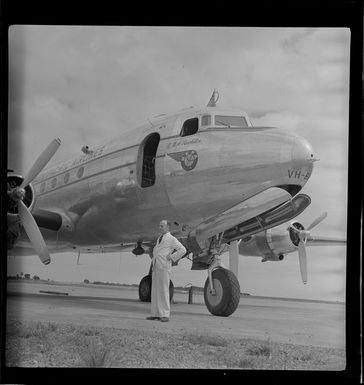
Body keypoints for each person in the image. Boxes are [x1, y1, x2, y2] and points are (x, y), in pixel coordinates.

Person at [146, 219, 186, 322]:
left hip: (164, 267)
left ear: (167, 227)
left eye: (162, 226)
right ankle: (155, 314)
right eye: (159, 226)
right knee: (155, 291)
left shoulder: (171, 239)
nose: (160, 228)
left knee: (163, 290)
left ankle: (165, 314)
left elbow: (182, 250)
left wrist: (171, 257)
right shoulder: (160, 238)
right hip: (156, 266)